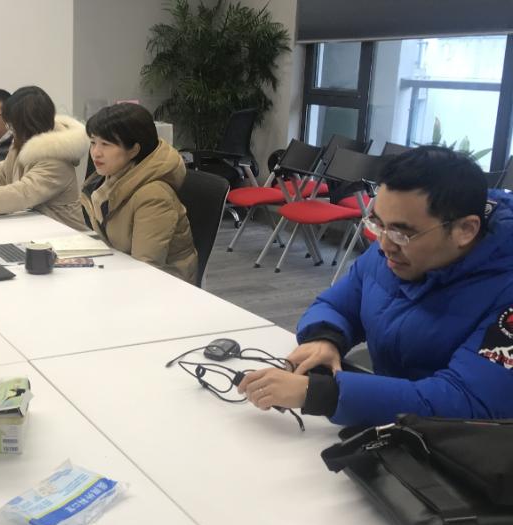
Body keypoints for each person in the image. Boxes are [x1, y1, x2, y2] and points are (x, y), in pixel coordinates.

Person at [237, 146, 513, 427]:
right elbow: (337, 306)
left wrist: (323, 394)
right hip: (390, 426)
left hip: (460, 443)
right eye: (378, 224)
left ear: (465, 230)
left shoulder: (504, 291)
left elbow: (469, 401)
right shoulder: (392, 253)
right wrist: (325, 339)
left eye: (402, 233)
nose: (384, 245)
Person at [79, 103, 198, 283]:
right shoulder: (107, 181)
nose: (96, 152)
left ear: (134, 150)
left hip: (166, 286)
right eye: (93, 142)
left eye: (106, 144)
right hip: (121, 270)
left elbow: (146, 269)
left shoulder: (154, 196)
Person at [0, 86, 89, 230]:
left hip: (66, 235)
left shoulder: (56, 157)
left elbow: (21, 194)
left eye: (13, 125)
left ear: (28, 125)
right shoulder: (23, 140)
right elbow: (1, 175)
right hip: (37, 228)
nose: (10, 129)